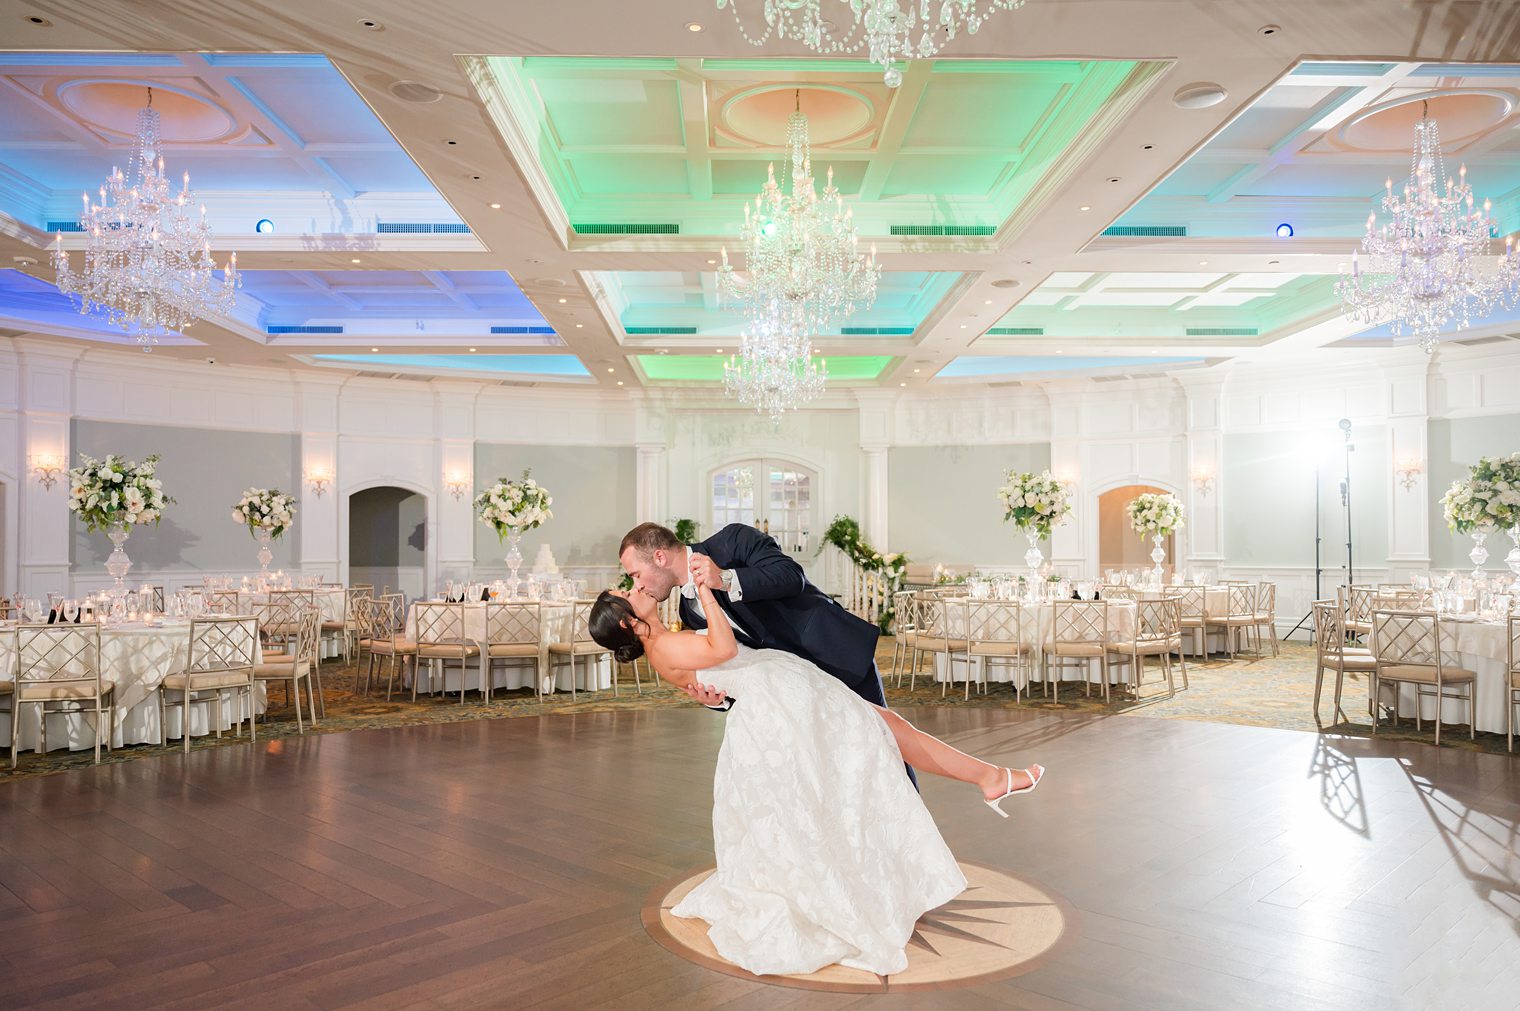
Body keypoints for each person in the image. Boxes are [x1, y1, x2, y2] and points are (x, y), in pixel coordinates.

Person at [588, 576, 1044, 977]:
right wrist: (706, 592)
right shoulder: (664, 646)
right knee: (871, 752)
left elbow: (714, 672)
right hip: (783, 706)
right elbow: (724, 650)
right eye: (625, 592)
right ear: (627, 622)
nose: (635, 588)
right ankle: (987, 783)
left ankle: (991, 779)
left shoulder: (665, 642)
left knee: (884, 737)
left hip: (787, 693)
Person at [617, 521, 917, 785]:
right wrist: (717, 702)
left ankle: (915, 840)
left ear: (659, 557)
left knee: (887, 745)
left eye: (636, 574)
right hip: (800, 692)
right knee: (842, 768)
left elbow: (791, 576)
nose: (637, 585)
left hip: (835, 654)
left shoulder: (732, 541)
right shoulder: (690, 611)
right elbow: (738, 663)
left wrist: (725, 578)